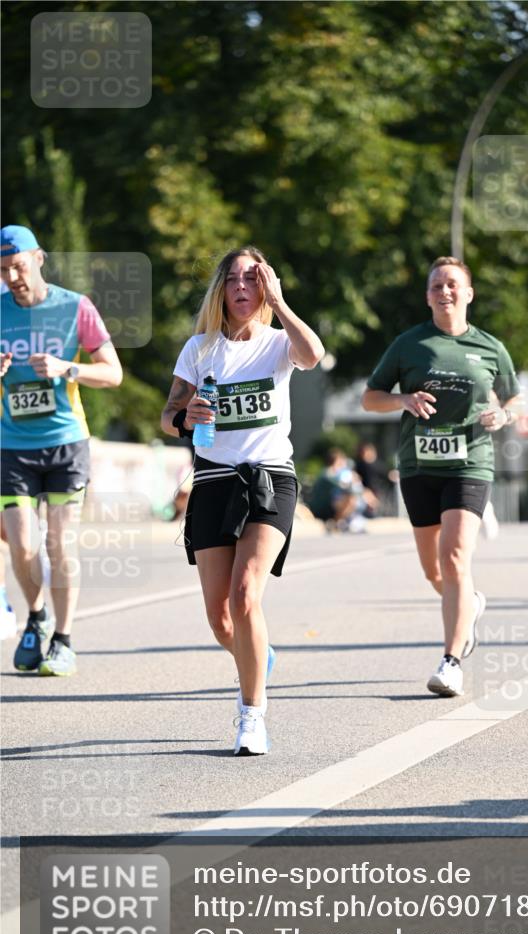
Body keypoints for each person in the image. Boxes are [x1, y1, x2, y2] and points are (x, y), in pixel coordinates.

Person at [160, 246, 324, 756]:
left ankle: (251, 716)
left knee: (246, 593)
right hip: (212, 481)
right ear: (220, 289)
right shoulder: (199, 349)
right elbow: (167, 417)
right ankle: (257, 655)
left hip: (270, 479)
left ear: (265, 288)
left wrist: (282, 300)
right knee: (221, 618)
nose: (241, 287)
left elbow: (313, 354)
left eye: (252, 279)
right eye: (233, 279)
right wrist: (188, 416)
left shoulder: (279, 345)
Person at [362, 256, 520, 697]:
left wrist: (503, 414)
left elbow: (517, 399)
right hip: (418, 466)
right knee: (434, 571)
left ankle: (451, 661)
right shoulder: (409, 344)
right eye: (436, 286)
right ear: (428, 296)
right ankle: (469, 606)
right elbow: (370, 398)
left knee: (454, 559)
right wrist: (403, 401)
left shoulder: (490, 347)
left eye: (452, 284)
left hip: (470, 461)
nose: (444, 292)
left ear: (468, 293)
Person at [0, 225, 123, 676]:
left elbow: (112, 374)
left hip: (66, 443)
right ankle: (36, 617)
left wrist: (67, 367)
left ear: (39, 258)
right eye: (3, 269)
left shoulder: (75, 307)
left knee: (58, 543)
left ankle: (64, 640)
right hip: (11, 445)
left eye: (18, 265)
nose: (12, 276)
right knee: (20, 543)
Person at [309, 447, 368, 532]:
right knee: (350, 500)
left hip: (329, 504)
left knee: (352, 500)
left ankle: (342, 522)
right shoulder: (328, 473)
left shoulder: (335, 473)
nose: (344, 464)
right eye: (341, 461)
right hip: (323, 507)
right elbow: (343, 486)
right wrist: (353, 480)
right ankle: (336, 523)